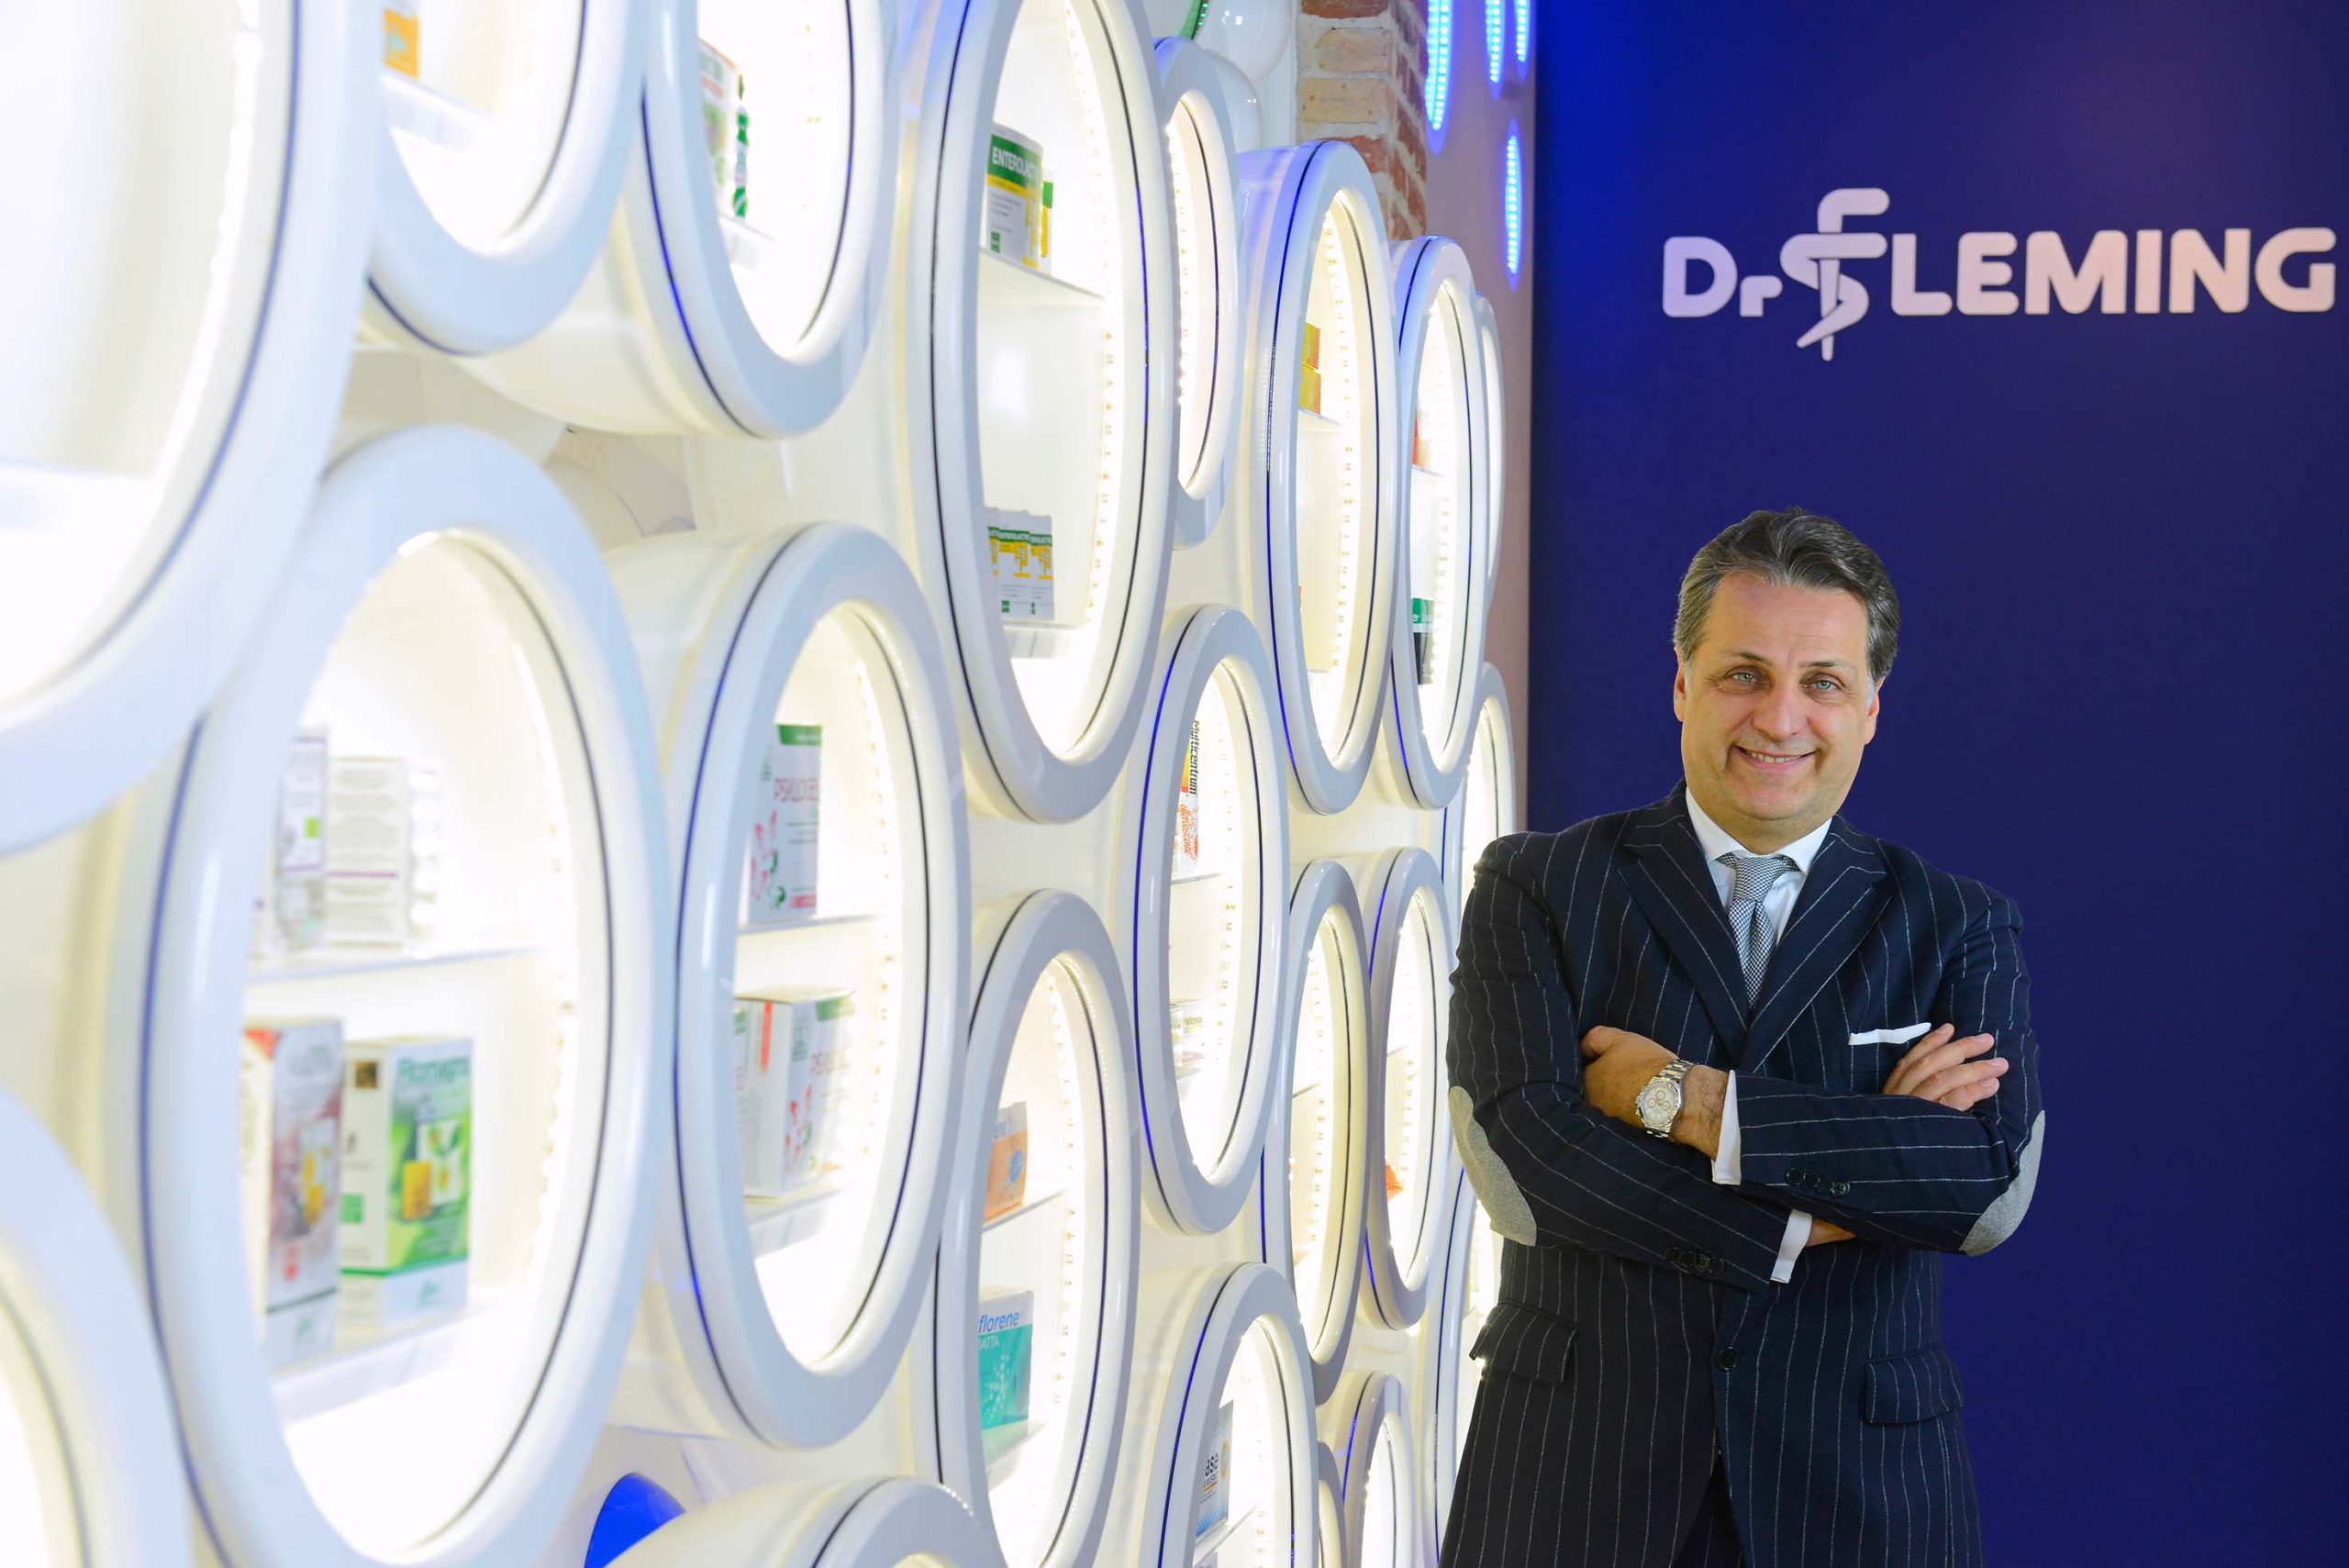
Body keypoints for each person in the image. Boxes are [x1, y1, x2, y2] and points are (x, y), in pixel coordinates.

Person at [1441, 508, 2044, 1568]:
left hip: (1861, 1498)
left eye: (1822, 682)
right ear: (1681, 682)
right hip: (1572, 1482)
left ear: (1869, 708)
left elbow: (1980, 1187)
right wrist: (1835, 1192)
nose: (1779, 715)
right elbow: (1524, 1167)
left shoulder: (1957, 922)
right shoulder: (1536, 886)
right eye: (1742, 674)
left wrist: (1690, 1099)